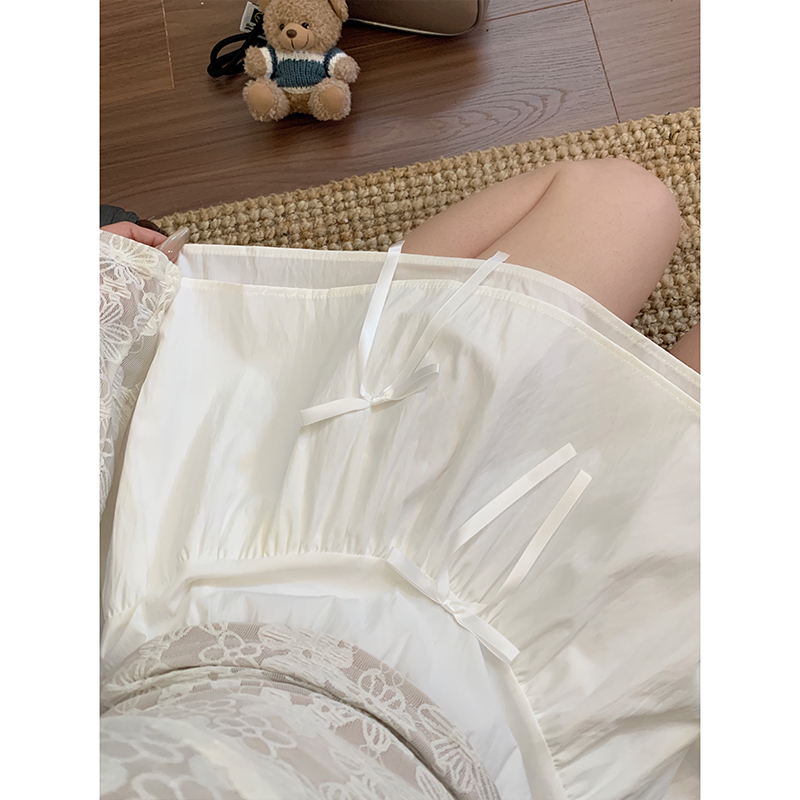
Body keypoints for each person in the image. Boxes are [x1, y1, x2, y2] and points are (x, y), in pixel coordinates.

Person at [100, 158, 700, 800]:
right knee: (623, 205)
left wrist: (112, 299)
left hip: (226, 573)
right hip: (548, 727)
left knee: (626, 201)